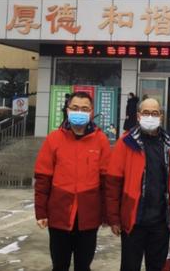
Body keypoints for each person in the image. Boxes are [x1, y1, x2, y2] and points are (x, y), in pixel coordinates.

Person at [34, 91, 111, 271]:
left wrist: (107, 214)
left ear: (91, 112)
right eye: (75, 108)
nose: (79, 112)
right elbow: (43, 178)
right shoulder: (54, 139)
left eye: (84, 109)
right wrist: (41, 212)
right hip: (59, 214)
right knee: (59, 265)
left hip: (88, 215)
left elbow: (106, 182)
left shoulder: (100, 140)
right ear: (67, 110)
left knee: (83, 266)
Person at [106, 97, 170, 271]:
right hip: (134, 221)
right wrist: (114, 218)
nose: (150, 116)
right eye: (146, 112)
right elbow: (113, 184)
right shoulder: (126, 143)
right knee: (129, 266)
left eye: (154, 113)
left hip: (161, 222)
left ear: (161, 116)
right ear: (138, 116)